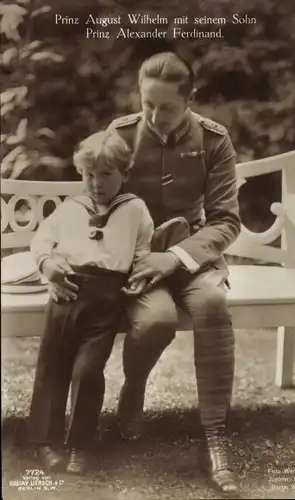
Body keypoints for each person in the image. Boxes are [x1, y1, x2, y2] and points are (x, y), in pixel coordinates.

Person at [49, 52, 241, 497]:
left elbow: (225, 221)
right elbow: (93, 198)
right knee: (155, 321)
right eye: (147, 103)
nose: (155, 116)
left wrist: (173, 258)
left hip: (190, 256)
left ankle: (215, 436)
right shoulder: (120, 134)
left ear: (190, 99)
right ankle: (134, 389)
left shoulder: (214, 140)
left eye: (167, 106)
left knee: (213, 303)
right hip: (133, 258)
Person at [27, 132, 155, 474]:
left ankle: (80, 444)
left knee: (88, 370)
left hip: (108, 298)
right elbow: (41, 241)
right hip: (67, 290)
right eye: (89, 175)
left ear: (125, 173)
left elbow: (142, 248)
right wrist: (48, 266)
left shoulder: (134, 209)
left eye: (106, 174)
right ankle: (45, 441)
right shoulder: (71, 208)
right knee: (53, 365)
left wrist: (140, 272)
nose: (96, 184)